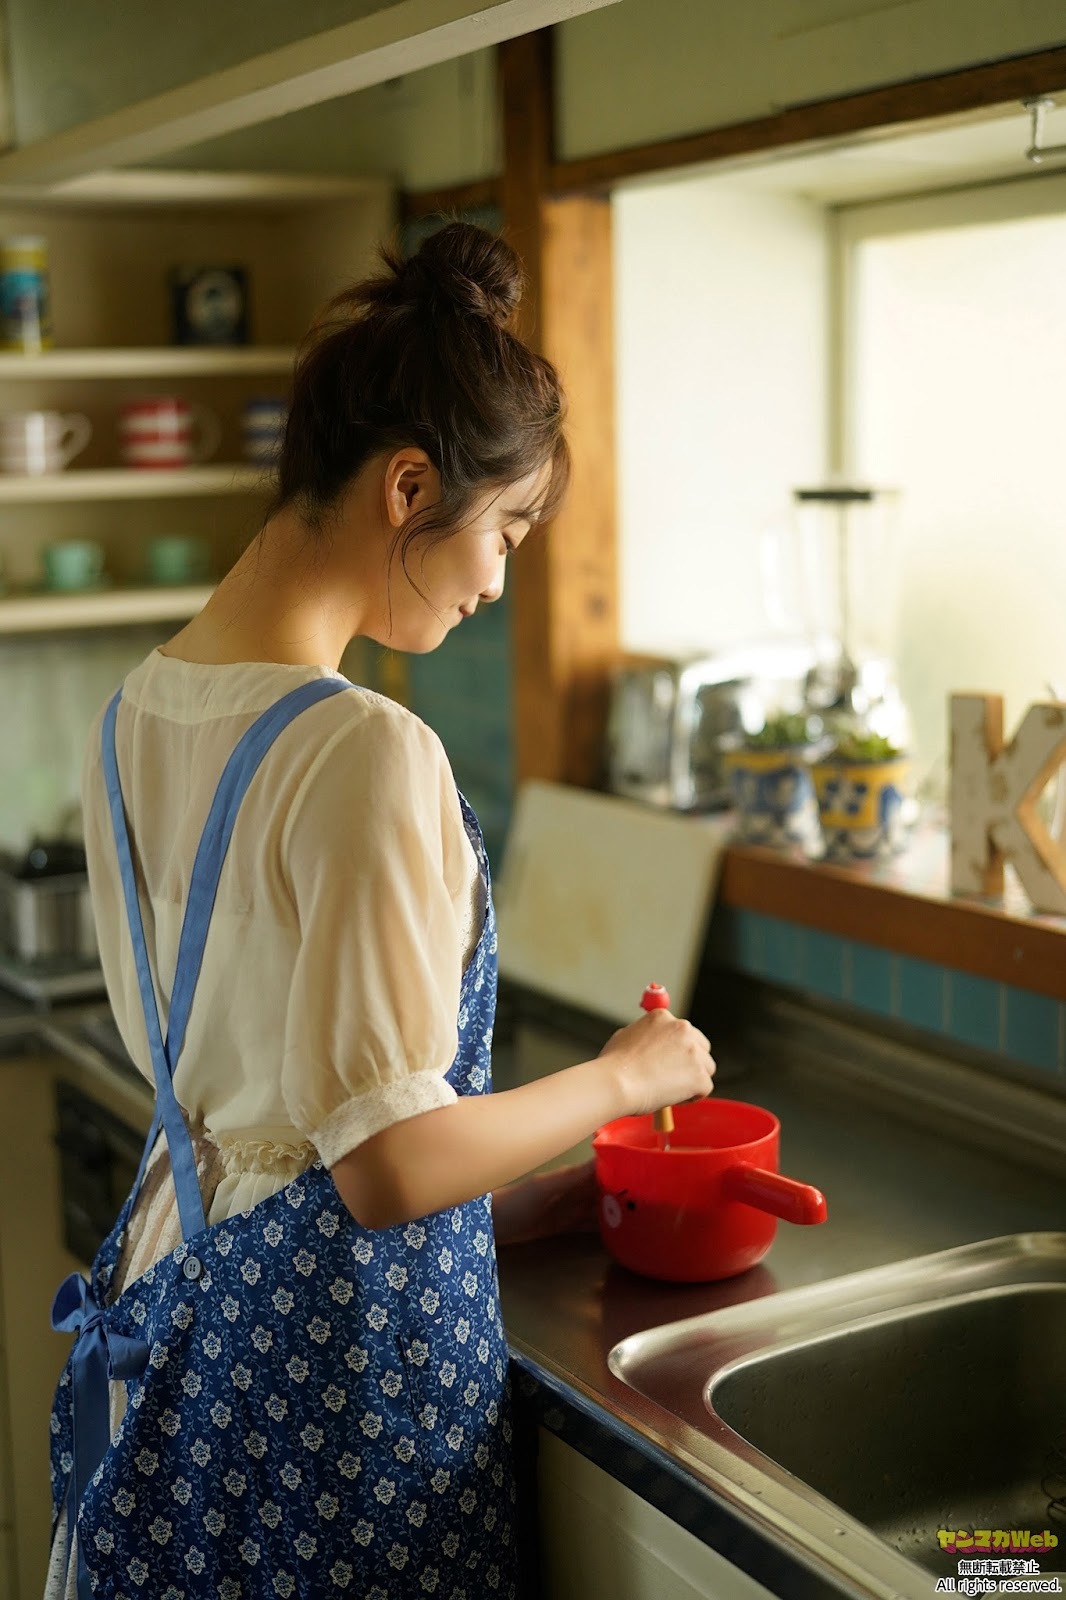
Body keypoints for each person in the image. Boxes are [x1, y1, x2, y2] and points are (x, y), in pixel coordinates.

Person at [45, 222, 715, 1600]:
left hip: (185, 1316)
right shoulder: (360, 749)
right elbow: (385, 1167)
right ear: (410, 485)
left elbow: (291, 1111)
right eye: (507, 528)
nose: (498, 578)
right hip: (339, 1383)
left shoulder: (139, 710)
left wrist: (518, 1190)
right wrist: (621, 1078)